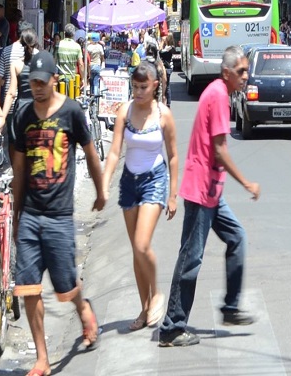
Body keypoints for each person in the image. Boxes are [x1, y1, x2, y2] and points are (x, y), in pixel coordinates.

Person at [10, 50, 106, 376]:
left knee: (65, 287)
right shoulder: (23, 116)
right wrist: (16, 216)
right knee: (28, 287)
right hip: (31, 215)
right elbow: (19, 170)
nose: (36, 88)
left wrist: (101, 190)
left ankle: (83, 308)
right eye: (32, 82)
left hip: (60, 215)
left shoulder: (72, 112)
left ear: (54, 80)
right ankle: (42, 358)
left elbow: (92, 154)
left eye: (41, 82)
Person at [159, 46, 261, 347]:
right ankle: (172, 326)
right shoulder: (217, 95)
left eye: (245, 71)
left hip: (212, 190)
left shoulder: (221, 93)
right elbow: (219, 149)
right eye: (241, 72)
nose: (245, 76)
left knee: (237, 238)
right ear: (227, 72)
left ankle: (230, 307)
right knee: (190, 258)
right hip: (202, 189)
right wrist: (246, 183)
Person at [102, 61, 179, 331]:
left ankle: (156, 293)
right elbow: (114, 152)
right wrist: (104, 182)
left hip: (155, 180)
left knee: (142, 243)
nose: (138, 92)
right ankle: (145, 309)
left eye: (143, 87)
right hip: (129, 182)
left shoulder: (164, 115)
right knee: (136, 250)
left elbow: (172, 156)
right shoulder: (125, 111)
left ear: (155, 85)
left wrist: (173, 195)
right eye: (134, 87)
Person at [0, 28, 40, 159]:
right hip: (38, 110)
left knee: (18, 146)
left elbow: (11, 93)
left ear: (21, 43)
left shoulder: (16, 65)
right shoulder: (42, 62)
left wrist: (1, 119)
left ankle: (18, 173)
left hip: (21, 110)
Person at [57, 23, 85, 94]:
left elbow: (54, 62)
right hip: (73, 79)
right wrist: (83, 79)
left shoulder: (59, 45)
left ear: (64, 33)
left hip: (60, 78)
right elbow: (81, 64)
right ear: (73, 34)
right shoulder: (77, 46)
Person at [159, 33, 176, 107]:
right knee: (165, 85)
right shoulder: (168, 47)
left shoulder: (170, 48)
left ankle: (168, 103)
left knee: (167, 86)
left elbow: (160, 52)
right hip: (166, 67)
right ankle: (166, 101)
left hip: (167, 68)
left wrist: (162, 43)